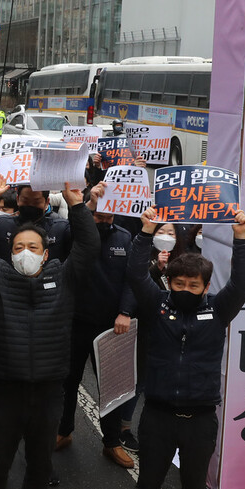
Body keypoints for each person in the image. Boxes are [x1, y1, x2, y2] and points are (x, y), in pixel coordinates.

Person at [0, 175, 98, 489]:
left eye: (33, 246)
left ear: (45, 253)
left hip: (48, 390)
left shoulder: (64, 276)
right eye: (19, 245)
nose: (26, 250)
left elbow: (88, 247)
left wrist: (76, 204)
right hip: (5, 389)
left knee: (40, 464)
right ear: (11, 252)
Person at [127, 207, 245, 489]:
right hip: (158, 414)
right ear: (169, 282)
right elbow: (136, 276)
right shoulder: (157, 305)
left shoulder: (218, 310)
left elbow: (242, 284)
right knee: (147, 486)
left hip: (200, 418)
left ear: (206, 287)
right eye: (178, 284)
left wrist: (241, 239)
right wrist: (145, 233)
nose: (184, 289)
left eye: (192, 285)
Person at [56, 183, 137, 468]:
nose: (103, 221)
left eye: (108, 217)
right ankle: (63, 430)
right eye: (97, 216)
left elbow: (132, 279)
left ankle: (112, 442)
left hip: (110, 327)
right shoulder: (74, 233)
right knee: (68, 381)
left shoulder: (126, 238)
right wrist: (86, 205)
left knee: (112, 387)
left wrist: (125, 312)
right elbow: (65, 237)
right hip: (74, 322)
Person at [0, 185, 73, 263]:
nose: (31, 205)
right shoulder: (0, 225)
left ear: (47, 202)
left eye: (36, 202)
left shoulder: (61, 228)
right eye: (25, 201)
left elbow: (82, 246)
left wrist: (76, 206)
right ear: (18, 199)